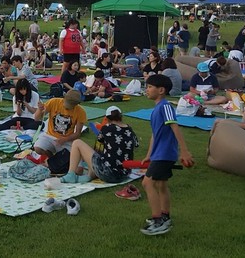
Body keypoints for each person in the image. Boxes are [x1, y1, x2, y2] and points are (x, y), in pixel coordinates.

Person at [140, 74, 194, 236]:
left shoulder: (165, 107)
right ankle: (165, 216)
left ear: (161, 90)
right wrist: (149, 154)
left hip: (165, 153)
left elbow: (175, 127)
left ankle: (158, 221)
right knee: (161, 185)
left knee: (147, 183)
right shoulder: (157, 108)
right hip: (158, 153)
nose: (146, 90)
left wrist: (184, 151)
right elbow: (155, 134)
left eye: (150, 87)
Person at [61, 106, 139, 184]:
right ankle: (90, 175)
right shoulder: (129, 129)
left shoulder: (106, 128)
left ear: (107, 118)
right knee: (100, 157)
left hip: (108, 173)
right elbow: (135, 146)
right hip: (124, 174)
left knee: (77, 143)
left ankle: (71, 174)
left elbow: (98, 148)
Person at [32, 89, 86, 157]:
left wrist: (65, 139)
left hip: (67, 140)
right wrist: (39, 110)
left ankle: (56, 159)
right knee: (37, 148)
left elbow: (78, 133)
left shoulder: (81, 112)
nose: (67, 108)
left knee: (71, 160)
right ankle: (51, 158)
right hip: (49, 136)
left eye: (70, 107)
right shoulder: (54, 102)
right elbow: (36, 118)